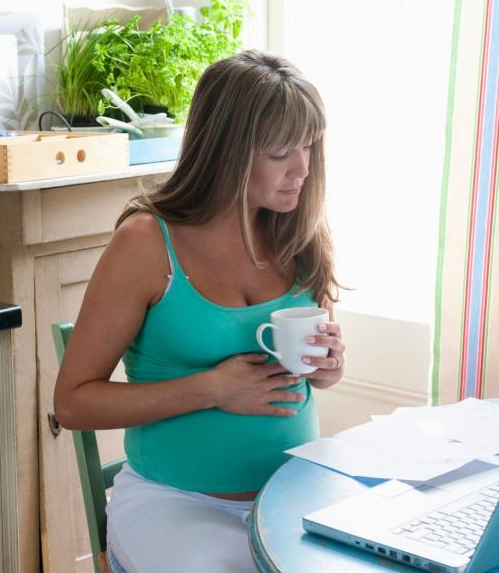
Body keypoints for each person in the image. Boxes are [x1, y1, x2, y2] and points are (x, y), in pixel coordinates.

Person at [53, 49, 347, 572]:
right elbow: (74, 404)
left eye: (308, 147)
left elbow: (310, 377)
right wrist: (211, 388)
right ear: (227, 150)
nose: (302, 169)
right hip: (178, 502)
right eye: (281, 153)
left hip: (295, 491)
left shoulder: (296, 230)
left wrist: (328, 367)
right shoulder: (146, 244)